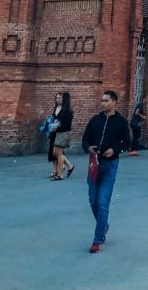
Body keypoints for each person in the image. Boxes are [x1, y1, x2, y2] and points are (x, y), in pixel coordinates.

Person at [81, 90, 131, 253]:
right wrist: (88, 148)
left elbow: (127, 143)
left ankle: (98, 240)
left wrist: (115, 150)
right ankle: (104, 225)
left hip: (110, 165)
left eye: (106, 101)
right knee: (93, 200)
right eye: (102, 100)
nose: (103, 103)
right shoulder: (95, 120)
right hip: (94, 165)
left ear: (114, 102)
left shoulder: (121, 122)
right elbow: (85, 139)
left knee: (103, 201)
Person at [53, 91, 75, 179]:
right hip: (59, 132)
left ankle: (60, 174)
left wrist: (56, 128)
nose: (59, 99)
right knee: (55, 152)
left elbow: (66, 125)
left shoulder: (67, 111)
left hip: (63, 133)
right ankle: (69, 166)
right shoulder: (63, 109)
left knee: (58, 153)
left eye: (61, 98)